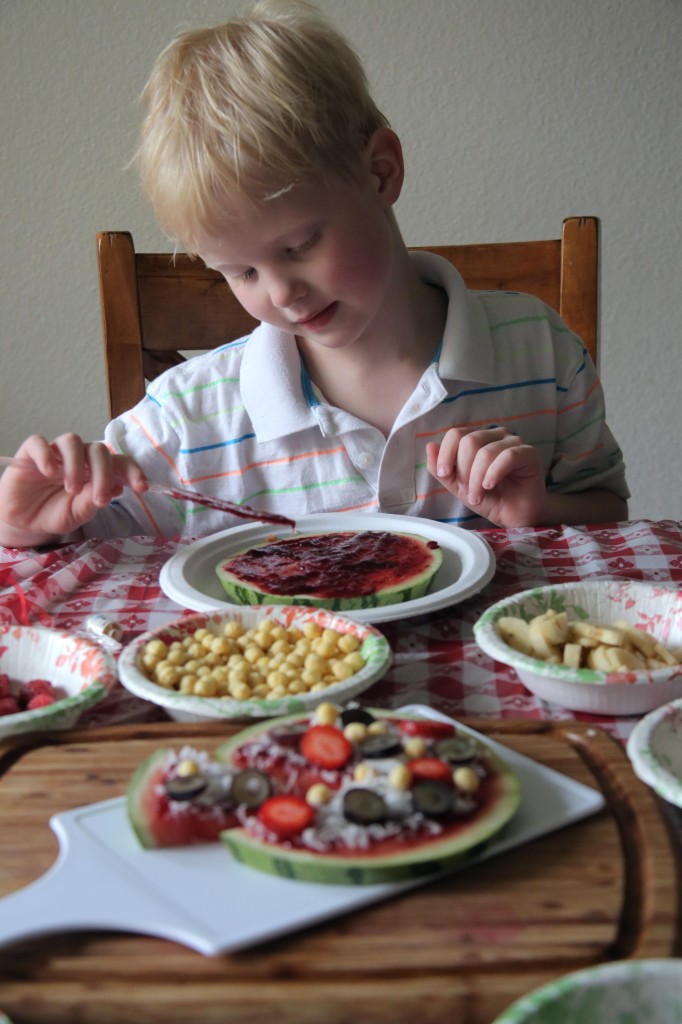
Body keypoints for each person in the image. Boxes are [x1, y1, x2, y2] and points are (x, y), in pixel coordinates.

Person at [0, 0, 628, 551]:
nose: (279, 292)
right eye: (239, 271)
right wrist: (35, 522)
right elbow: (85, 543)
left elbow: (612, 516)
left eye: (300, 244)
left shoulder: (541, 353)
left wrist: (540, 513)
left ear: (380, 173)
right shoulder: (186, 421)